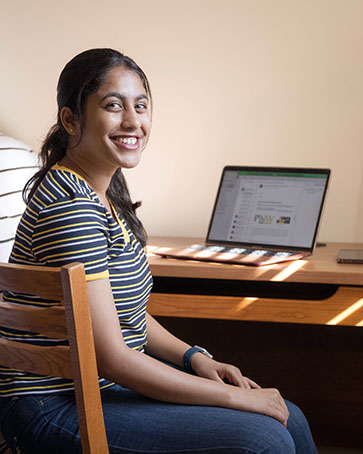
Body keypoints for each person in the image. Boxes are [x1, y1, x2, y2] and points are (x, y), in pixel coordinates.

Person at [0, 48, 317, 454]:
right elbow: (113, 357)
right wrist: (238, 398)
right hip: (52, 407)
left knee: (290, 416)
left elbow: (120, 315)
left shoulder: (103, 193)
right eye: (113, 106)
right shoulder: (73, 206)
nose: (132, 121)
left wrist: (193, 357)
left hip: (97, 388)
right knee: (266, 438)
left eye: (141, 105)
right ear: (70, 119)